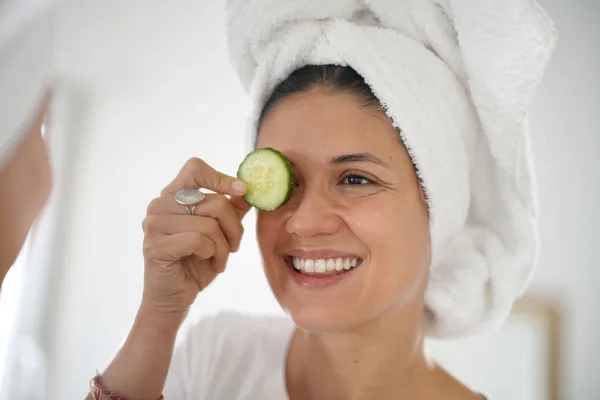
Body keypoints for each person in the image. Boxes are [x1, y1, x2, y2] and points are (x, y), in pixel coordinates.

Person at [86, 1, 557, 399]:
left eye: (354, 179)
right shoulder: (216, 359)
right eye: (286, 182)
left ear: (440, 206)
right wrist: (159, 315)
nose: (304, 223)